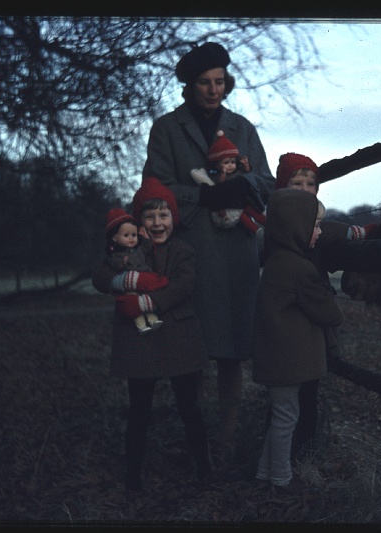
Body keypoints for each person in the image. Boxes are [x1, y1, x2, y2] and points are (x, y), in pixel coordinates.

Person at [143, 41, 276, 467]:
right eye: (204, 82)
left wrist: (243, 187)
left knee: (233, 350)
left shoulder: (243, 127)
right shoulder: (167, 129)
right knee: (192, 350)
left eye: (220, 81)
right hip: (192, 252)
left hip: (238, 253)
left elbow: (267, 181)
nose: (214, 89)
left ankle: (227, 441)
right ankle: (196, 445)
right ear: (188, 85)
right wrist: (202, 195)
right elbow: (155, 186)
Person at [92, 177, 212, 491]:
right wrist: (123, 281)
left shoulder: (182, 250)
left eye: (163, 215)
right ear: (137, 221)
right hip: (140, 339)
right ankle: (133, 476)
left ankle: (205, 469)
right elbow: (100, 276)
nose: (157, 223)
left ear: (173, 217)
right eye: (149, 216)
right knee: (139, 410)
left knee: (189, 407)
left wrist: (148, 301)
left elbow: (184, 285)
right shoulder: (124, 248)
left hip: (178, 335)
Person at [272, 153, 377, 461]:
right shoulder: (282, 227)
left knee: (306, 393)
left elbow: (330, 230)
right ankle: (288, 463)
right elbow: (328, 231)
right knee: (290, 398)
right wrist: (357, 232)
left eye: (311, 184)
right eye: (297, 183)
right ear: (282, 188)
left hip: (307, 327)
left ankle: (294, 458)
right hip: (294, 322)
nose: (305, 190)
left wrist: (363, 233)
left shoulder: (314, 226)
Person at [251, 188, 345, 494]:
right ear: (296, 228)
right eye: (314, 225)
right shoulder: (299, 268)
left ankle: (264, 473)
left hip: (277, 358)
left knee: (281, 414)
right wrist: (329, 297)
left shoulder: (276, 261)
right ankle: (281, 479)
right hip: (288, 361)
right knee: (286, 417)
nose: (319, 232)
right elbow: (331, 313)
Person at [190, 132, 266, 234]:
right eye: (226, 163)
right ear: (217, 165)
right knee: (242, 216)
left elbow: (247, 174)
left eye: (232, 162)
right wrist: (223, 173)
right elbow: (220, 184)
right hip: (231, 206)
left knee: (253, 210)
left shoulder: (237, 172)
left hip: (243, 200)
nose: (230, 165)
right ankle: (256, 230)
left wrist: (246, 165)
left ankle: (267, 223)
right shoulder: (217, 175)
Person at [104, 207, 164, 334]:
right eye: (126, 235)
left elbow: (148, 248)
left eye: (134, 235)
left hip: (145, 278)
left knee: (147, 302)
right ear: (115, 238)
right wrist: (122, 263)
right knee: (134, 306)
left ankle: (153, 320)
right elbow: (113, 264)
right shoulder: (116, 255)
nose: (131, 238)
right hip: (130, 287)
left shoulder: (138, 249)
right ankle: (141, 325)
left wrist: (145, 238)